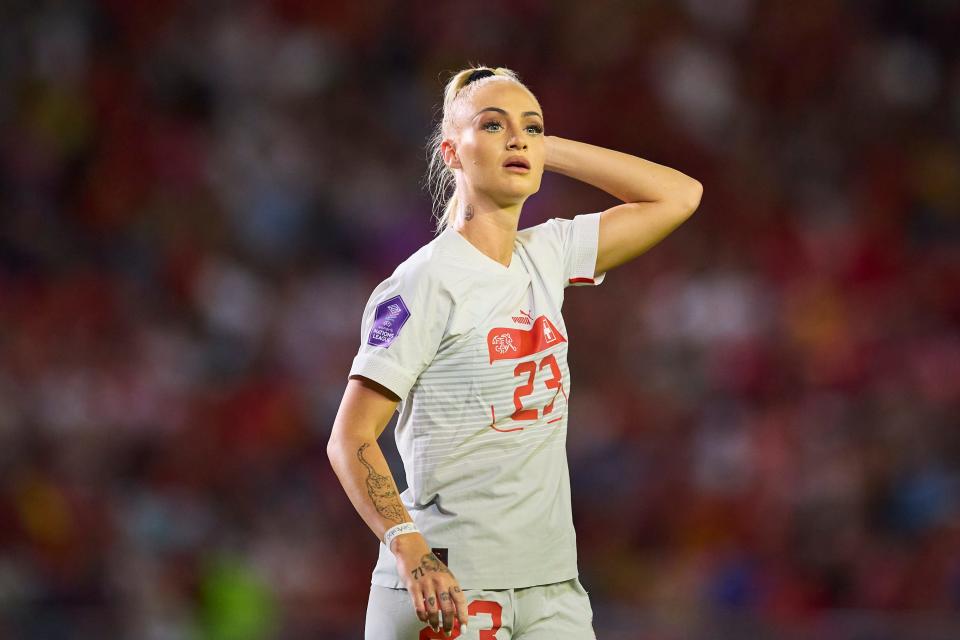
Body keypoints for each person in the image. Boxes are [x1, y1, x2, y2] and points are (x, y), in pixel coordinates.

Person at [326, 65, 702, 639]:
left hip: (552, 586)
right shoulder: (425, 281)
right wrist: (409, 547)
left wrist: (548, 146)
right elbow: (350, 438)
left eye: (532, 127)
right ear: (451, 153)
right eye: (494, 125)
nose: (519, 138)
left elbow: (679, 195)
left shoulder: (545, 254)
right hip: (454, 584)